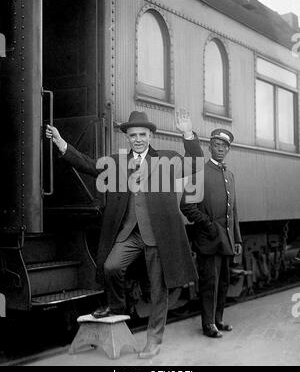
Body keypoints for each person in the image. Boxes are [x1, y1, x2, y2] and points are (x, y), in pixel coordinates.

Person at [46, 109, 203, 358]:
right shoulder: (117, 162)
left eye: (142, 134)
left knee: (158, 288)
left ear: (150, 135)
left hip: (158, 235)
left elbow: (195, 164)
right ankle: (116, 306)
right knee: (110, 267)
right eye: (133, 135)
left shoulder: (167, 159)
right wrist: (62, 144)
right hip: (130, 232)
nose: (138, 139)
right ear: (127, 138)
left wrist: (187, 134)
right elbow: (89, 165)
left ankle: (154, 340)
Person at [180, 129, 242, 338]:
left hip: (226, 240)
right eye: (217, 145)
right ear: (209, 147)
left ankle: (218, 320)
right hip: (208, 239)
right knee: (209, 283)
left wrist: (238, 238)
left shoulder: (229, 176)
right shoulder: (199, 173)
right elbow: (187, 206)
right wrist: (208, 224)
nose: (221, 149)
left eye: (225, 146)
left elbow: (233, 210)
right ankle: (208, 325)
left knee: (223, 281)